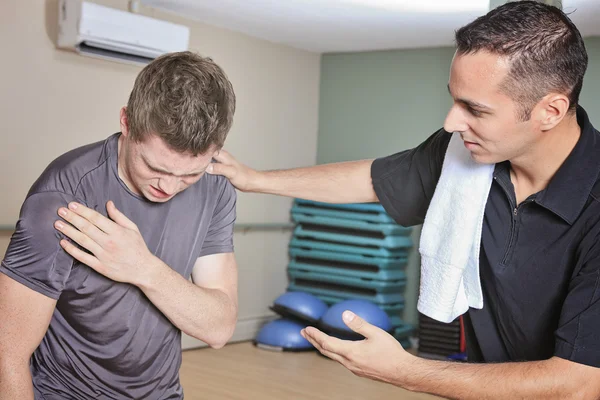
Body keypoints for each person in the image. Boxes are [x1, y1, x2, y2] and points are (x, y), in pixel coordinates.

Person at [207, 2, 600, 398]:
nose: (451, 122)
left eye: (474, 109)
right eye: (455, 99)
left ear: (550, 111)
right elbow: (375, 179)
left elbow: (579, 383)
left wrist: (405, 370)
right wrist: (255, 180)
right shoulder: (464, 155)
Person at [0, 51, 238, 399]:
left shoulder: (216, 186)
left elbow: (219, 327)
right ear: (126, 123)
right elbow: (8, 351)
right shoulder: (63, 197)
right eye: (155, 167)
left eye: (190, 174)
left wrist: (143, 268)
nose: (169, 187)